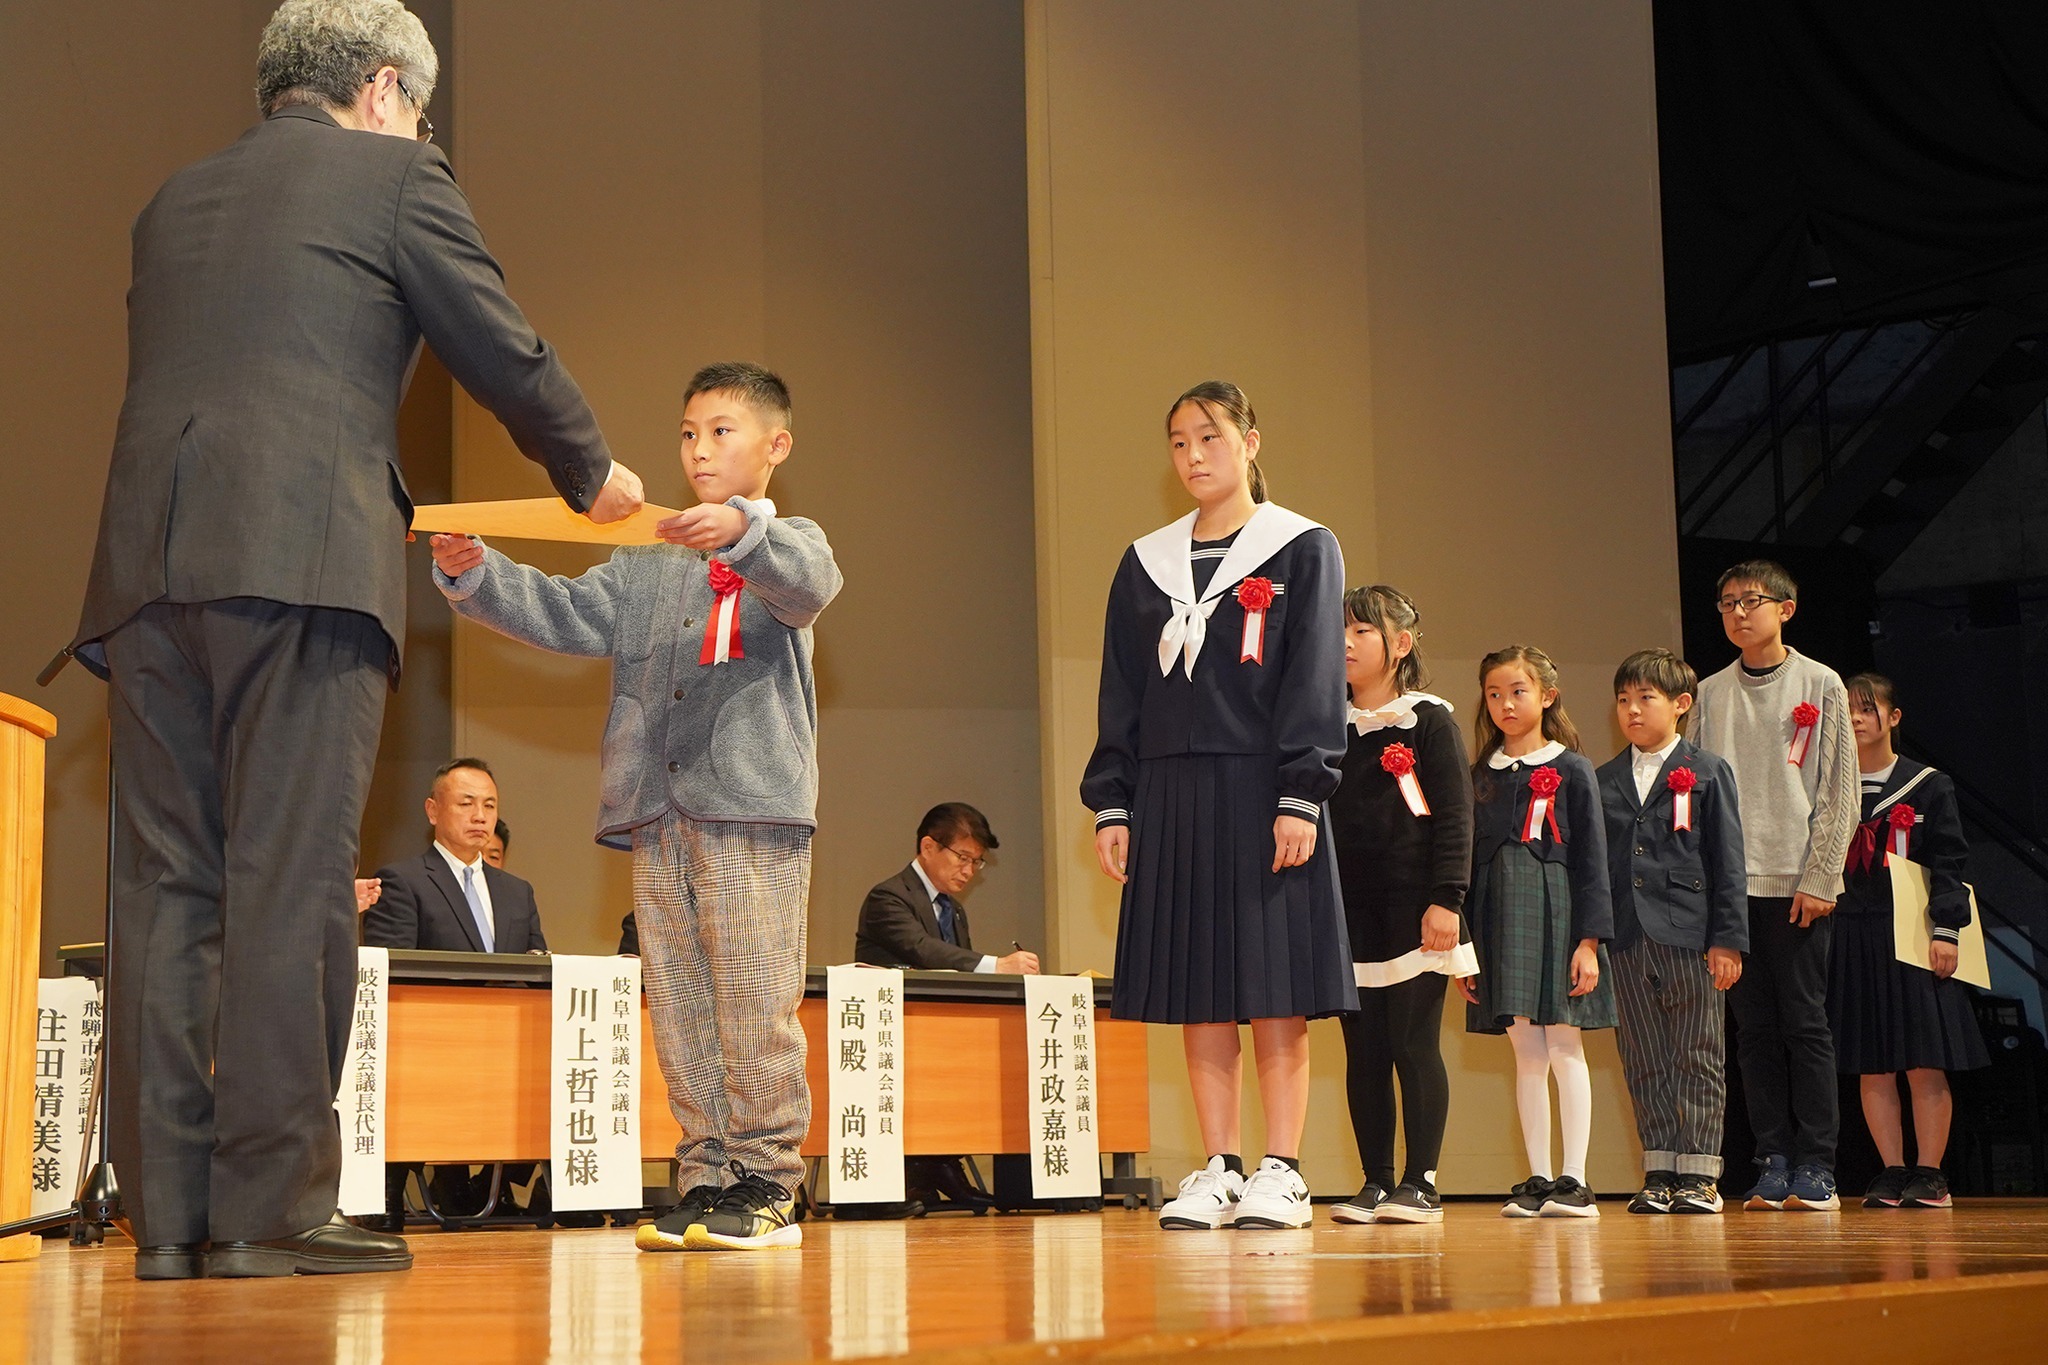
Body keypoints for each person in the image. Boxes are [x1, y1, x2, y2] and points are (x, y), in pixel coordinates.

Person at [62, 0, 642, 1281]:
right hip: (301, 564)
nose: (419, 130)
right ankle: (269, 1210)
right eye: (418, 111)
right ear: (384, 90)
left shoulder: (174, 199)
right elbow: (496, 338)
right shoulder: (392, 176)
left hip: (147, 577)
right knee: (289, 876)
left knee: (166, 893)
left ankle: (169, 1221)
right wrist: (588, 471)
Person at [430, 361, 840, 1253]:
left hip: (748, 804)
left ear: (776, 446)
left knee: (751, 991)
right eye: (689, 432)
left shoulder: (789, 540)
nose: (699, 449)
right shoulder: (649, 557)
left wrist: (739, 533)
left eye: (722, 431)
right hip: (654, 806)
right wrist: (478, 573)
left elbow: (809, 586)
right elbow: (564, 613)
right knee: (683, 996)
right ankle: (705, 1173)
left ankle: (768, 1178)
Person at [1081, 380, 1353, 1233]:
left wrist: (1300, 793)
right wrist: (1114, 803)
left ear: (1250, 442)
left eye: (1210, 437)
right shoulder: (1146, 560)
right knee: (1199, 984)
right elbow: (1120, 688)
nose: (1194, 455)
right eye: (1178, 442)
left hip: (1264, 784)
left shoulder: (1301, 547)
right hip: (1170, 790)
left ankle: (1283, 1167)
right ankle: (1220, 1164)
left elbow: (1314, 674)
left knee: (1272, 981)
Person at [1689, 561, 1860, 1212]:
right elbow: (1699, 793)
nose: (1738, 613)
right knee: (1753, 1029)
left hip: (1798, 883)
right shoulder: (1709, 692)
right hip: (1733, 887)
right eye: (1727, 602)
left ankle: (1818, 1163)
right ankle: (1773, 1156)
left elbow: (1838, 790)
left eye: (1751, 600)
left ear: (1786, 608)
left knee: (1805, 1024)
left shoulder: (1820, 682)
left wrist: (1820, 874)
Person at [1326, 587, 1473, 1227]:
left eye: (1362, 631)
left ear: (1400, 644)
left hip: (1418, 907)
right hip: (1350, 914)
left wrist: (1447, 900)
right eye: (1341, 631)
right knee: (1363, 1053)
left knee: (1415, 1045)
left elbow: (1455, 819)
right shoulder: (1327, 727)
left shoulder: (1429, 720)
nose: (1347, 643)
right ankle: (1376, 1181)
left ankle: (1422, 1182)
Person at [1596, 650, 1747, 1216]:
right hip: (1628, 936)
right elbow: (1599, 866)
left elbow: (1727, 860)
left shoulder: (1706, 771)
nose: (1632, 711)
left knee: (1699, 1052)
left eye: (1645, 699)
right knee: (1642, 1056)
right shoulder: (1604, 778)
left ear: (1681, 705)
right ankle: (1659, 1168)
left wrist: (1727, 939)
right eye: (1623, 700)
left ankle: (1701, 1173)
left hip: (1691, 932)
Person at [1465, 646, 1615, 1219]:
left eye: (1518, 691)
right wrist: (1466, 952)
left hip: (1558, 912)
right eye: (1495, 693)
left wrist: (1589, 941)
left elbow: (1593, 861)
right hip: (1498, 920)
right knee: (1525, 1050)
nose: (1505, 703)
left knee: (1564, 1043)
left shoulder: (1571, 768)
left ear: (1547, 696)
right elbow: (1472, 867)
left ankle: (1574, 1179)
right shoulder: (1481, 774)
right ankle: (1537, 1177)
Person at [1829, 673, 1988, 1209]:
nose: (1855, 718)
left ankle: (1931, 1173)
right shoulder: (1830, 783)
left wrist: (1947, 931)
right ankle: (1891, 1170)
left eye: (1867, 708)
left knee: (1924, 1059)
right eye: (1847, 708)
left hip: (1916, 935)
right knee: (1873, 1060)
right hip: (1852, 931)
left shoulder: (1928, 785)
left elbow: (1949, 861)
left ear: (1893, 718)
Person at [361, 759, 548, 955]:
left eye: (489, 806)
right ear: (433, 811)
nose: (480, 816)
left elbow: (538, 971)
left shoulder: (518, 892)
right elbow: (394, 972)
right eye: (466, 804)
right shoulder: (401, 882)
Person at [855, 803, 1039, 973]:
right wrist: (997, 966)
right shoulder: (887, 898)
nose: (969, 871)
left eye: (976, 862)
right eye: (963, 858)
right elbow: (923, 949)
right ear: (928, 848)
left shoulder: (954, 909)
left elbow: (961, 974)